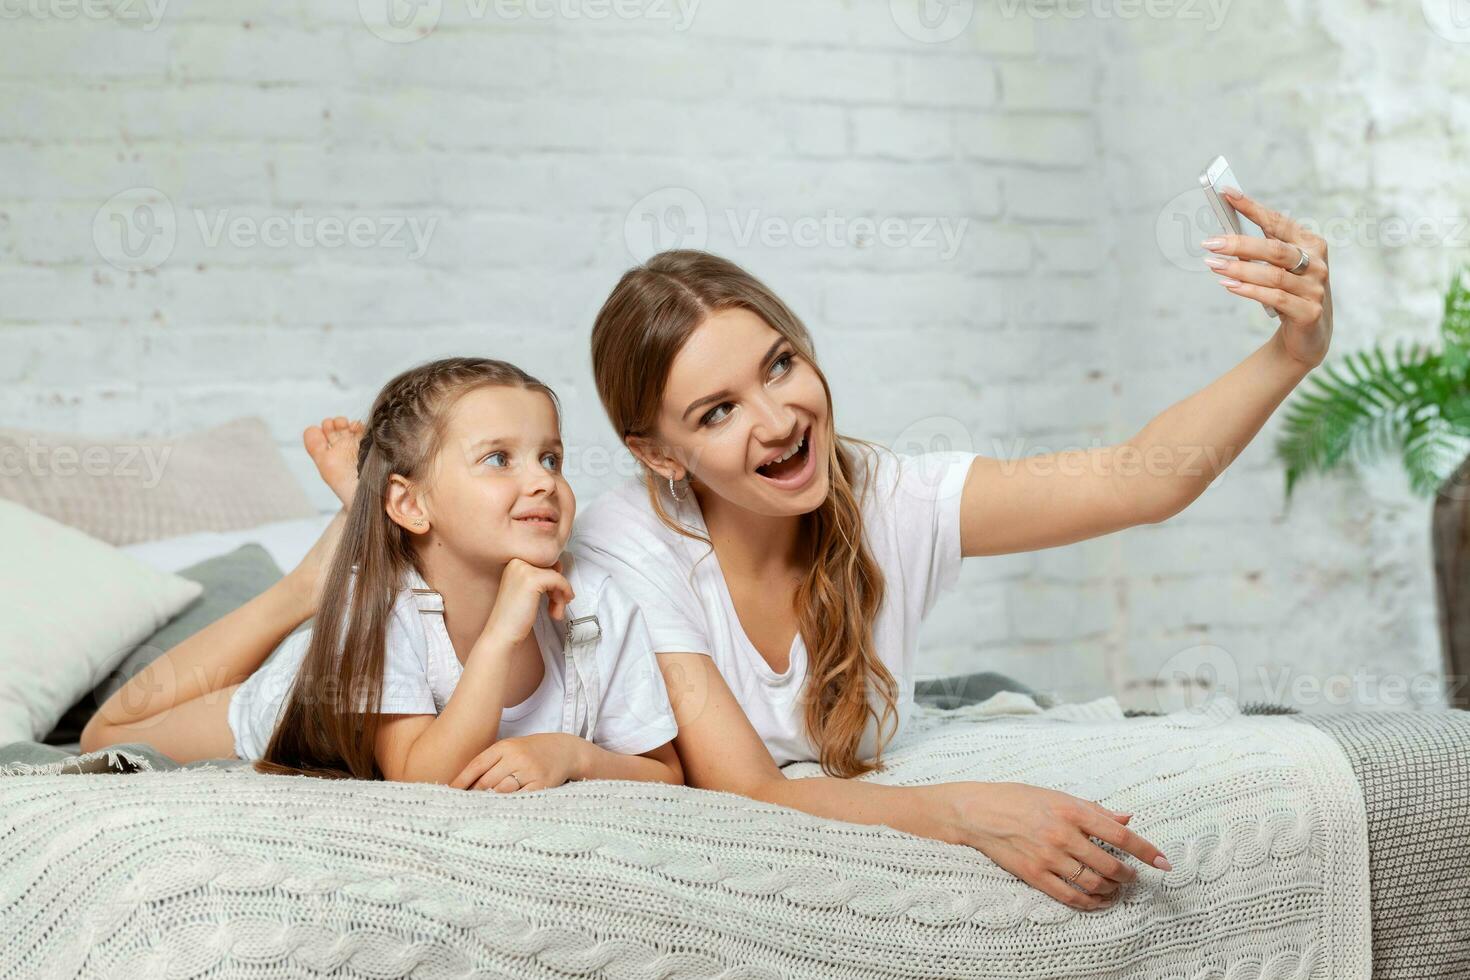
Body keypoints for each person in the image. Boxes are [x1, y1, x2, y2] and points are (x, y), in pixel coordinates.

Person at [81, 357, 683, 791]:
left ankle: (365, 523)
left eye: (550, 457)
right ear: (413, 504)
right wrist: (501, 633)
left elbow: (665, 771)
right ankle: (313, 582)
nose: (544, 480)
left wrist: (571, 755)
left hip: (394, 579)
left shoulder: (595, 604)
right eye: (498, 458)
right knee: (107, 733)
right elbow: (425, 777)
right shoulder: (385, 611)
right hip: (314, 691)